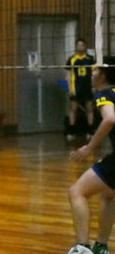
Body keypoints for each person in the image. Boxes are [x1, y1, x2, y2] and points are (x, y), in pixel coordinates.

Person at [68, 56, 115, 254]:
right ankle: (101, 246)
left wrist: (89, 147)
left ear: (103, 76)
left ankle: (82, 246)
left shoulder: (104, 94)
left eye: (95, 70)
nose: (92, 73)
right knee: (109, 194)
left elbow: (110, 119)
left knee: (77, 192)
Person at [66, 39, 96, 141]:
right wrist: (70, 89)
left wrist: (94, 87)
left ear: (85, 46)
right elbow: (68, 75)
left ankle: (90, 131)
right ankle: (71, 131)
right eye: (78, 45)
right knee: (73, 109)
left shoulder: (90, 59)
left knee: (89, 109)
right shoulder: (71, 59)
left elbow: (94, 74)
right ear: (76, 47)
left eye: (82, 45)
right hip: (76, 88)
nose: (80, 47)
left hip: (87, 87)